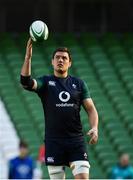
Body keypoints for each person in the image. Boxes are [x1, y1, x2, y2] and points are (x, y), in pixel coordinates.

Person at [20, 38, 99, 179]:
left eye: (64, 58)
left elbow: (91, 109)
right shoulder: (45, 82)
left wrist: (95, 127)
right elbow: (26, 82)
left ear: (70, 63)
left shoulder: (79, 84)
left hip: (76, 141)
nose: (60, 60)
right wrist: (28, 57)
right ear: (52, 62)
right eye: (57, 58)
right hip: (54, 142)